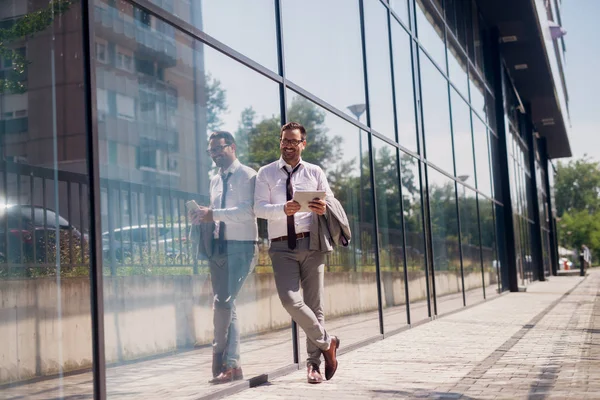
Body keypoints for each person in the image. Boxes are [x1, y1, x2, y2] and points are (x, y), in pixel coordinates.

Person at [254, 122, 341, 384]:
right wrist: (284, 208)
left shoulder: (315, 172)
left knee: (315, 306)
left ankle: (313, 366)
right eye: (284, 141)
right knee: (290, 300)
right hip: (282, 246)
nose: (288, 146)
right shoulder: (266, 173)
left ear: (303, 144)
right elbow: (258, 208)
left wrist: (322, 206)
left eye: (293, 141)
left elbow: (331, 202)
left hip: (312, 243)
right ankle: (328, 343)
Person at [189, 131, 258, 384]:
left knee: (226, 302)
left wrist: (214, 213)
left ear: (232, 147)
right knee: (226, 304)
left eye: (219, 149)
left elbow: (249, 210)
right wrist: (202, 216)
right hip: (219, 247)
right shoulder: (214, 180)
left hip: (242, 246)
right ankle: (233, 366)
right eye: (212, 151)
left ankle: (224, 361)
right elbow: (214, 215)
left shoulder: (249, 175)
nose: (215, 155)